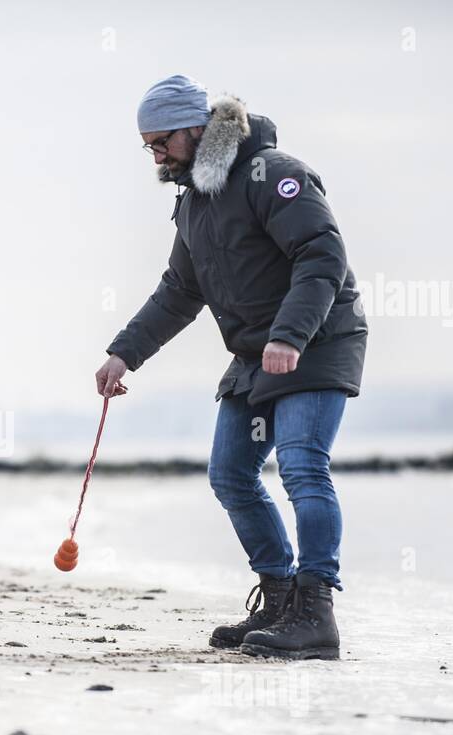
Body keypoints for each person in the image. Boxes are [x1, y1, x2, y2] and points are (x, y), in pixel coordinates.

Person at [96, 74, 368, 661]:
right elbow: (178, 290)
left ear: (197, 127)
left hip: (316, 343)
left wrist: (291, 335)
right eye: (147, 145)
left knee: (301, 467)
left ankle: (316, 614)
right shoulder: (195, 201)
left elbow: (322, 255)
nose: (155, 155)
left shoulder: (275, 174)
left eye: (161, 141)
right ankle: (278, 597)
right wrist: (124, 352)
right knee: (230, 474)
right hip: (255, 355)